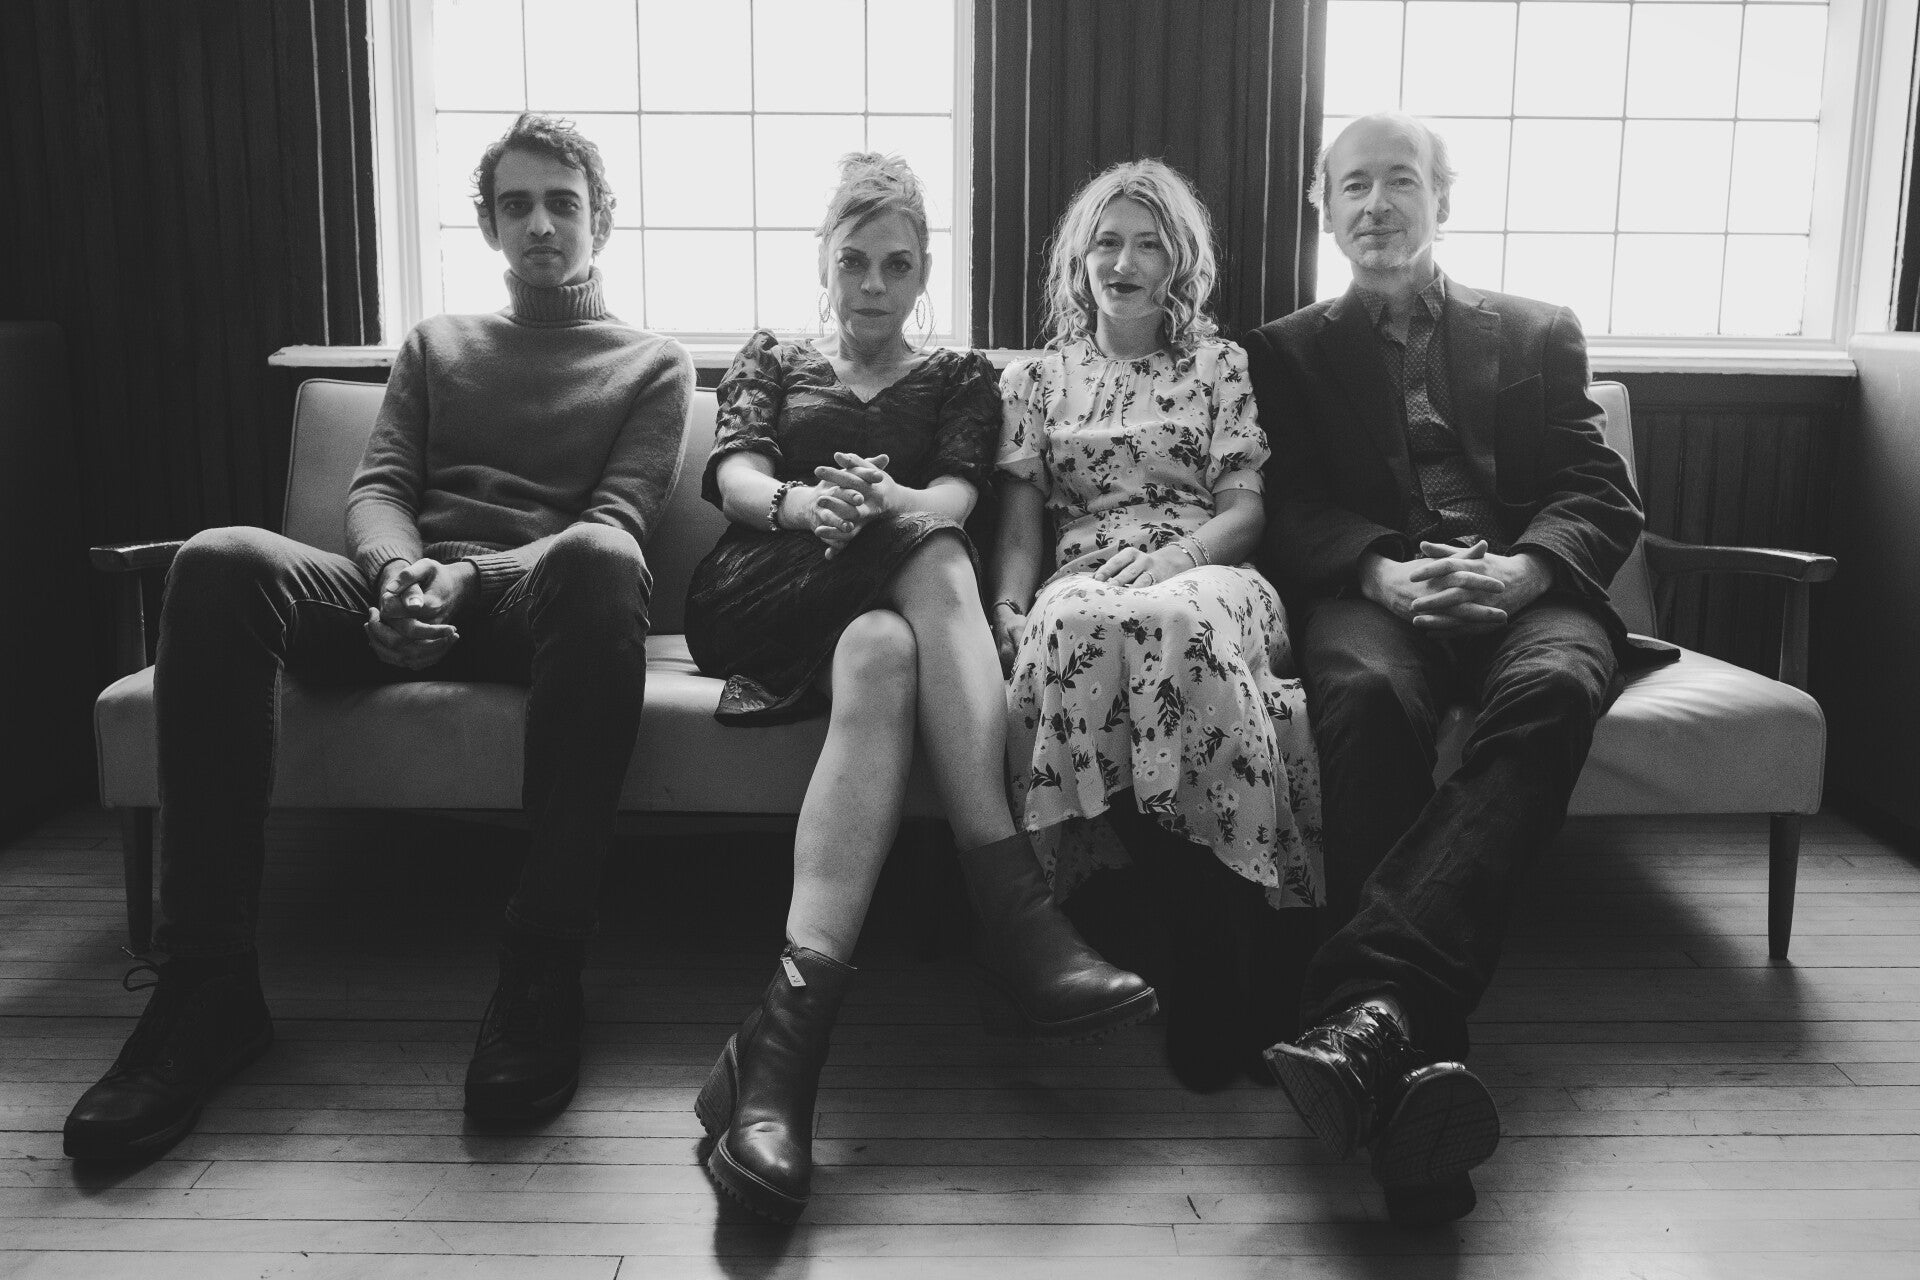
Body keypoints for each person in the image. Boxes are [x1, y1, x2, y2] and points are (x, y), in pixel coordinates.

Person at [63, 113, 694, 1160]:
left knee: (602, 560)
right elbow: (381, 487)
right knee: (216, 557)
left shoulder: (652, 363)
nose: (541, 224)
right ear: (490, 225)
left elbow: (616, 519)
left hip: (525, 606)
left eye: (563, 203)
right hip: (390, 591)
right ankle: (208, 986)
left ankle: (541, 969)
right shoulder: (437, 345)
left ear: (603, 220)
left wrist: (466, 581)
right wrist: (396, 575)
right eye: (517, 205)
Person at [683, 153, 1154, 1224]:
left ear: (923, 272)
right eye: (854, 260)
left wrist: (884, 500)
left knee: (888, 647)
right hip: (760, 585)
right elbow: (735, 473)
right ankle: (1019, 916)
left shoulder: (959, 378)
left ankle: (776, 1058)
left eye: (897, 265)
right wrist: (806, 506)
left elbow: (953, 494)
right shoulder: (773, 356)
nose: (873, 284)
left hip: (871, 606)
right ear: (825, 261)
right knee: (936, 557)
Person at [1242, 113, 1668, 1225]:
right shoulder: (1284, 350)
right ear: (1323, 208)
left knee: (1557, 686)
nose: (1377, 204)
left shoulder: (1536, 329)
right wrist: (1382, 575)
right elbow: (1288, 507)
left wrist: (1523, 574)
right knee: (1364, 694)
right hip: (1380, 595)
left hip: (1526, 590)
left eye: (1401, 181)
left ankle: (1363, 1009)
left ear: (1443, 199)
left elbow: (1600, 489)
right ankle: (1411, 1077)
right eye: (1354, 186)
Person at [990, 159, 1323, 1092]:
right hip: (1084, 575)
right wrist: (1009, 607)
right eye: (1106, 242)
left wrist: (1178, 560)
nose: (1123, 262)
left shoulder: (1220, 367)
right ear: (1079, 258)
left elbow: (1246, 511)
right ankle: (1209, 951)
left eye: (1147, 244)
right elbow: (1019, 524)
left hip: (1206, 570)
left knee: (1174, 620)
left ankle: (1213, 954)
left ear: (1179, 262)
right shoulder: (1035, 380)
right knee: (1077, 626)